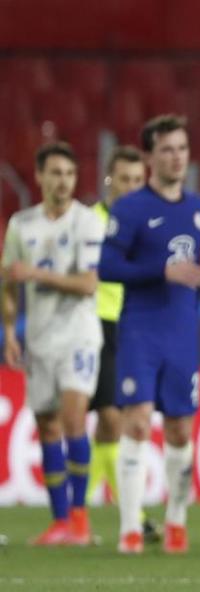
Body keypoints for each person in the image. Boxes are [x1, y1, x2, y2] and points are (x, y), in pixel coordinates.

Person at [99, 114, 200, 555]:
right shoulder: (129, 208)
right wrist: (160, 270)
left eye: (182, 148)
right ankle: (129, 528)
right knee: (138, 422)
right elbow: (107, 267)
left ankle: (177, 522)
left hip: (182, 333)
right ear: (148, 157)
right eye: (167, 149)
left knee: (181, 430)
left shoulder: (198, 207)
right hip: (141, 331)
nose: (176, 157)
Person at [1, 142, 103, 546]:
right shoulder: (21, 225)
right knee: (46, 425)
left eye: (70, 174)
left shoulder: (87, 222)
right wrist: (10, 332)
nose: (64, 182)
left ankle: (80, 519)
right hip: (38, 340)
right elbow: (9, 282)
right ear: (40, 177)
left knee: (74, 419)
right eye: (56, 173)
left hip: (78, 337)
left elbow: (88, 283)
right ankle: (59, 519)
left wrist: (38, 277)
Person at [87, 146, 146, 506]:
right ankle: (129, 510)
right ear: (110, 179)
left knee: (123, 420)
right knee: (109, 416)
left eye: (138, 180)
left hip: (136, 325)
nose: (130, 187)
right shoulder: (90, 220)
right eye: (124, 179)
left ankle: (84, 500)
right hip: (97, 323)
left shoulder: (147, 223)